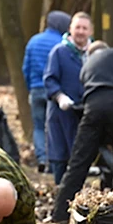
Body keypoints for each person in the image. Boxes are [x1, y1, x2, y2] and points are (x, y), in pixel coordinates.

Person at [51, 41, 113, 223]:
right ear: (105, 50)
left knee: (78, 162)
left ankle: (60, 213)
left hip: (92, 109)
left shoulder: (85, 68)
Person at [43, 12, 92, 185]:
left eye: (84, 28)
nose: (80, 31)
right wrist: (59, 96)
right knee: (60, 156)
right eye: (77, 27)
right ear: (70, 29)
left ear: (90, 31)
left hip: (85, 114)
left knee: (80, 157)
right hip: (61, 113)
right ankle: (60, 196)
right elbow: (49, 79)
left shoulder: (94, 53)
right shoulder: (59, 52)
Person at [22, 10, 71, 174]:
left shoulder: (33, 41)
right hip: (54, 91)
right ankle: (53, 160)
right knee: (53, 126)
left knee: (38, 126)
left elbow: (26, 68)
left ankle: (42, 158)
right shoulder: (62, 44)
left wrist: (31, 87)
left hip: (36, 89)